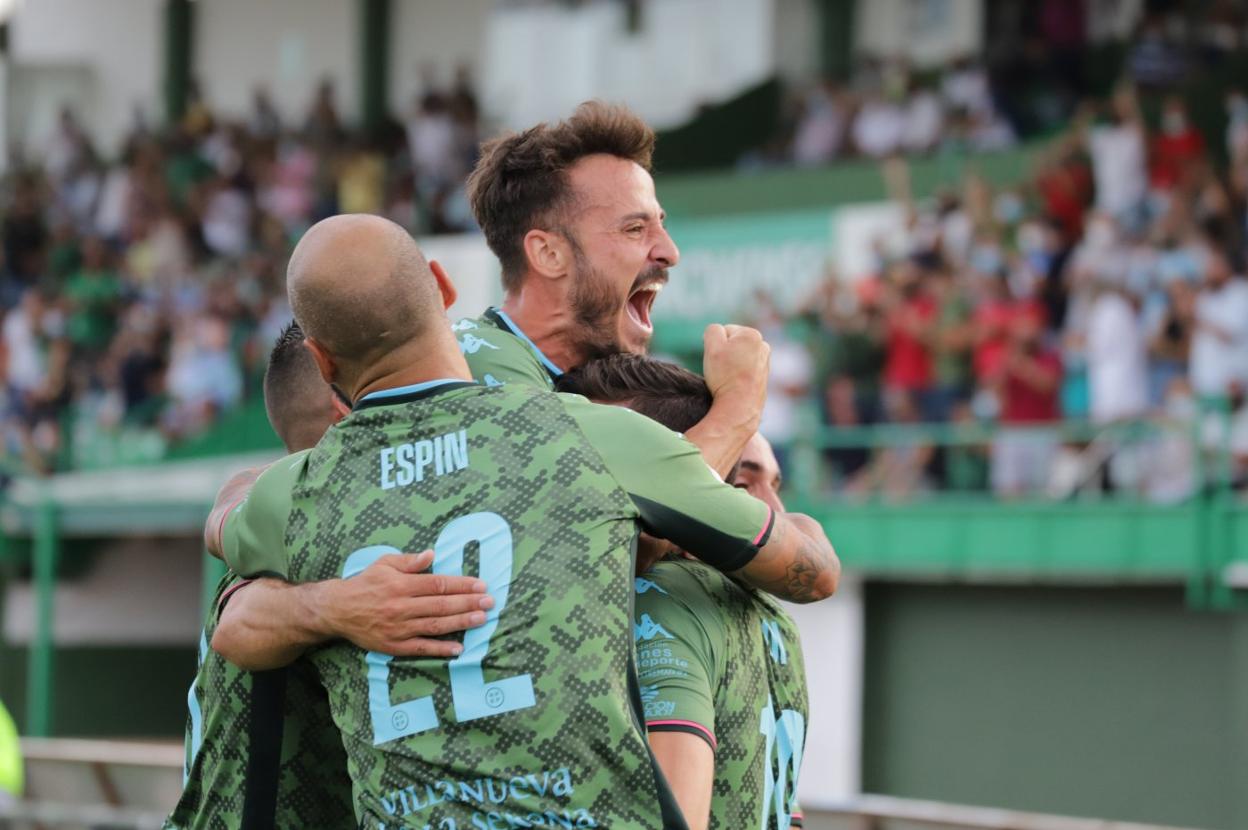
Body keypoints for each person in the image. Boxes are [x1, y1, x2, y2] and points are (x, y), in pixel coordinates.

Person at [215, 214, 836, 827]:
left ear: (322, 360)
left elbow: (223, 541)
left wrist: (325, 599)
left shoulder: (291, 496)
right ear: (443, 287)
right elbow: (807, 572)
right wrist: (740, 409)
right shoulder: (587, 436)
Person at [166, 322, 492, 830]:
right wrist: (339, 606)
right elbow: (240, 623)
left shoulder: (284, 517)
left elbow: (238, 495)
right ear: (347, 411)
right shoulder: (303, 543)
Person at [556, 355, 808, 830]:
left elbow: (676, 815)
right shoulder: (774, 616)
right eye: (744, 482)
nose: (773, 511)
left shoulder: (659, 598)